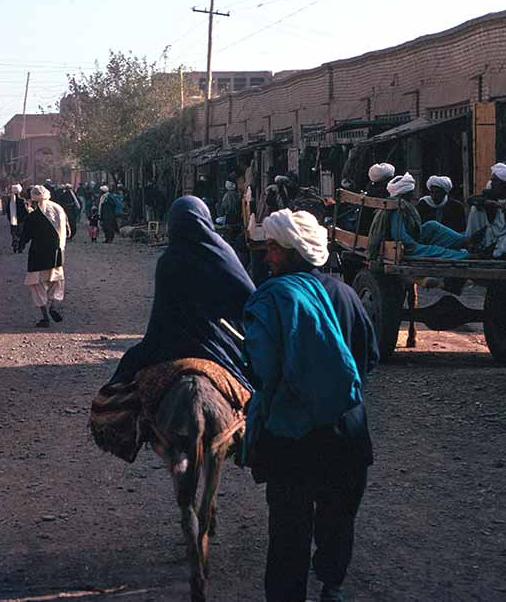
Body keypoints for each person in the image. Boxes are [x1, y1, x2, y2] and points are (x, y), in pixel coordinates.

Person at [243, 208, 374, 602]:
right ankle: (332, 584)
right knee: (338, 515)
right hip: (346, 428)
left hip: (292, 434)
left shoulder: (271, 298)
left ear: (294, 252)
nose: (267, 258)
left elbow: (262, 369)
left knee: (288, 528)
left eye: (272, 249)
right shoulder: (346, 294)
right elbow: (368, 357)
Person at [107, 196, 254, 386]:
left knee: (119, 382)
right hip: (218, 342)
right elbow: (250, 298)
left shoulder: (167, 261)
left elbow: (160, 315)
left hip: (170, 344)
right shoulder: (223, 254)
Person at [367, 172, 471, 260]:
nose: (413, 195)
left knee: (432, 225)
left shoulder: (404, 205)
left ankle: (466, 241)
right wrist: (417, 245)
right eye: (411, 192)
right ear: (405, 193)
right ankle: (465, 256)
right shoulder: (398, 207)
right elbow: (400, 236)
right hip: (406, 246)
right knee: (434, 250)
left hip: (413, 236)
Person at [16, 185, 69, 327]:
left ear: (33, 198)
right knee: (56, 282)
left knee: (36, 286)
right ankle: (54, 306)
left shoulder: (33, 215)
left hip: (37, 257)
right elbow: (68, 231)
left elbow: (26, 235)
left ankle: (45, 317)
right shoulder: (59, 210)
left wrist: (20, 245)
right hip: (57, 255)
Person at [3, 183, 30, 252]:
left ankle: (15, 245)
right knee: (20, 234)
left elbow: (8, 210)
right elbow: (26, 210)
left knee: (14, 234)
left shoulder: (10, 200)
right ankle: (20, 247)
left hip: (13, 220)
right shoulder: (22, 200)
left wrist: (10, 218)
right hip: (21, 220)